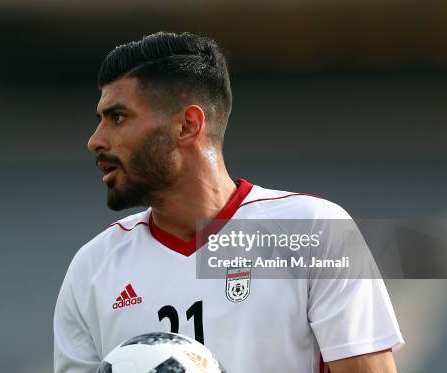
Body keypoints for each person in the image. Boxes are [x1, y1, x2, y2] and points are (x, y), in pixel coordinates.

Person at [53, 31, 404, 372]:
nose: (95, 140)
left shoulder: (314, 230)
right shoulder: (92, 269)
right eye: (100, 120)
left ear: (188, 125)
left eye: (117, 117)